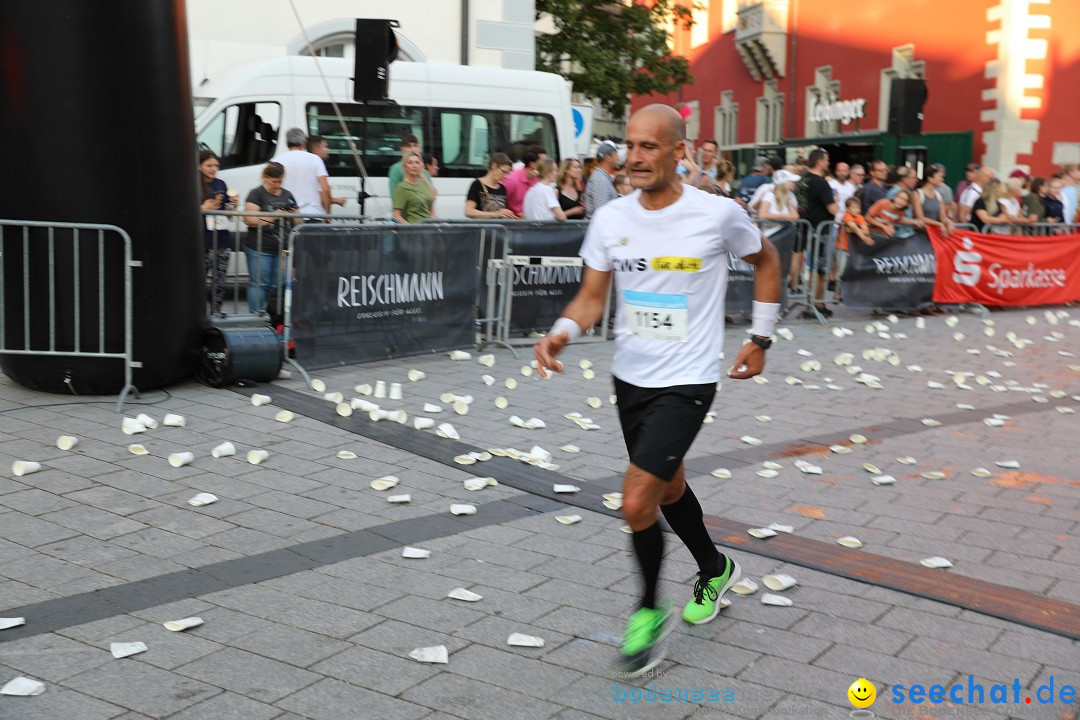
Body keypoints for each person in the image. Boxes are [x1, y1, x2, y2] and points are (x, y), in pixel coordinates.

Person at [533, 103, 781, 677]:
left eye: (649, 147)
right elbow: (592, 299)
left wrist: (761, 336)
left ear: (678, 151)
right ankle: (715, 568)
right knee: (668, 489)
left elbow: (767, 261)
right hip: (632, 379)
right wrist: (562, 333)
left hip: (688, 380)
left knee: (636, 501)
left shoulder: (717, 215)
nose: (635, 158)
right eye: (630, 146)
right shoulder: (612, 217)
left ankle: (647, 612)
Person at [243, 162, 299, 314]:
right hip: (259, 247)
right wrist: (275, 216)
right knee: (259, 284)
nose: (277, 185)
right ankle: (256, 318)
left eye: (280, 181)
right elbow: (250, 220)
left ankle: (273, 319)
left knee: (278, 285)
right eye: (274, 181)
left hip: (283, 249)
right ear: (265, 178)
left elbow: (299, 222)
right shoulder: (256, 194)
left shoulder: (287, 194)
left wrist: (294, 215)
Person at [801, 148, 839, 317]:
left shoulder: (803, 180)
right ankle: (818, 304)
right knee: (821, 270)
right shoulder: (821, 183)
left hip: (807, 228)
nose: (828, 163)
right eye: (827, 160)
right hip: (821, 230)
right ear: (820, 161)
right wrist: (836, 201)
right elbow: (832, 208)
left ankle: (811, 303)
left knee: (811, 268)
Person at [199, 149, 234, 315]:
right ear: (199, 166)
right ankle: (197, 316)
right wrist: (202, 208)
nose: (213, 169)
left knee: (219, 283)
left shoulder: (221, 184)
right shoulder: (192, 183)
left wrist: (232, 205)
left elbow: (228, 212)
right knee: (199, 281)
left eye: (216, 166)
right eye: (209, 165)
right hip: (202, 240)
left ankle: (216, 315)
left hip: (221, 238)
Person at [271, 128, 331, 216]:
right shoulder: (315, 159)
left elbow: (271, 189)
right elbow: (325, 189)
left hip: (287, 215)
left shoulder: (275, 161)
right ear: (303, 143)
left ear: (287, 142)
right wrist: (328, 214)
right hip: (313, 215)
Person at [464, 153, 517, 220]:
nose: (505, 176)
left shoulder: (502, 188)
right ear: (494, 166)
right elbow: (468, 211)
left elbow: (502, 212)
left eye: (507, 173)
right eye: (503, 171)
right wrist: (496, 214)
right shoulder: (477, 184)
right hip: (481, 228)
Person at [392, 151, 435, 224]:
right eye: (410, 162)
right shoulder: (401, 187)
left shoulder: (424, 183)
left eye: (417, 162)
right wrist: (410, 228)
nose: (414, 166)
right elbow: (396, 215)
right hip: (414, 229)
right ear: (405, 167)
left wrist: (435, 222)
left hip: (429, 228)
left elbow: (431, 203)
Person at [388, 134, 434, 200]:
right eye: (409, 146)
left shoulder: (424, 171)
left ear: (419, 148)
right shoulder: (396, 168)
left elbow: (432, 197)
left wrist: (421, 173)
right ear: (402, 149)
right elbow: (395, 197)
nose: (413, 149)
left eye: (415, 146)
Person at [503, 146, 547, 216]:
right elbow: (499, 206)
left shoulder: (539, 180)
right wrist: (516, 215)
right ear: (533, 165)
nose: (547, 165)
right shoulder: (511, 180)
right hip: (513, 224)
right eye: (544, 162)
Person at [756, 168, 800, 237]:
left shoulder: (788, 197)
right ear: (784, 183)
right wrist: (784, 216)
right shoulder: (769, 195)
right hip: (769, 236)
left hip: (783, 236)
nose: (794, 183)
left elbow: (795, 216)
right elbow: (762, 215)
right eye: (791, 181)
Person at [306, 135, 346, 209]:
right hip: (314, 213)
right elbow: (324, 193)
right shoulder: (317, 162)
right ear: (316, 150)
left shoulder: (307, 164)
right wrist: (336, 201)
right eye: (325, 146)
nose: (328, 149)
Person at [913, 164, 954, 235]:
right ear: (930, 178)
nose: (942, 179)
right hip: (921, 234)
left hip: (935, 233)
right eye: (940, 177)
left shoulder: (938, 195)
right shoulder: (917, 194)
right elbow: (920, 217)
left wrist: (949, 222)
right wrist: (939, 224)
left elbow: (943, 217)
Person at [585, 140, 622, 217]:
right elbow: (602, 212)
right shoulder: (600, 179)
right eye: (615, 154)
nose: (618, 158)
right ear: (607, 157)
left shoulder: (603, 177)